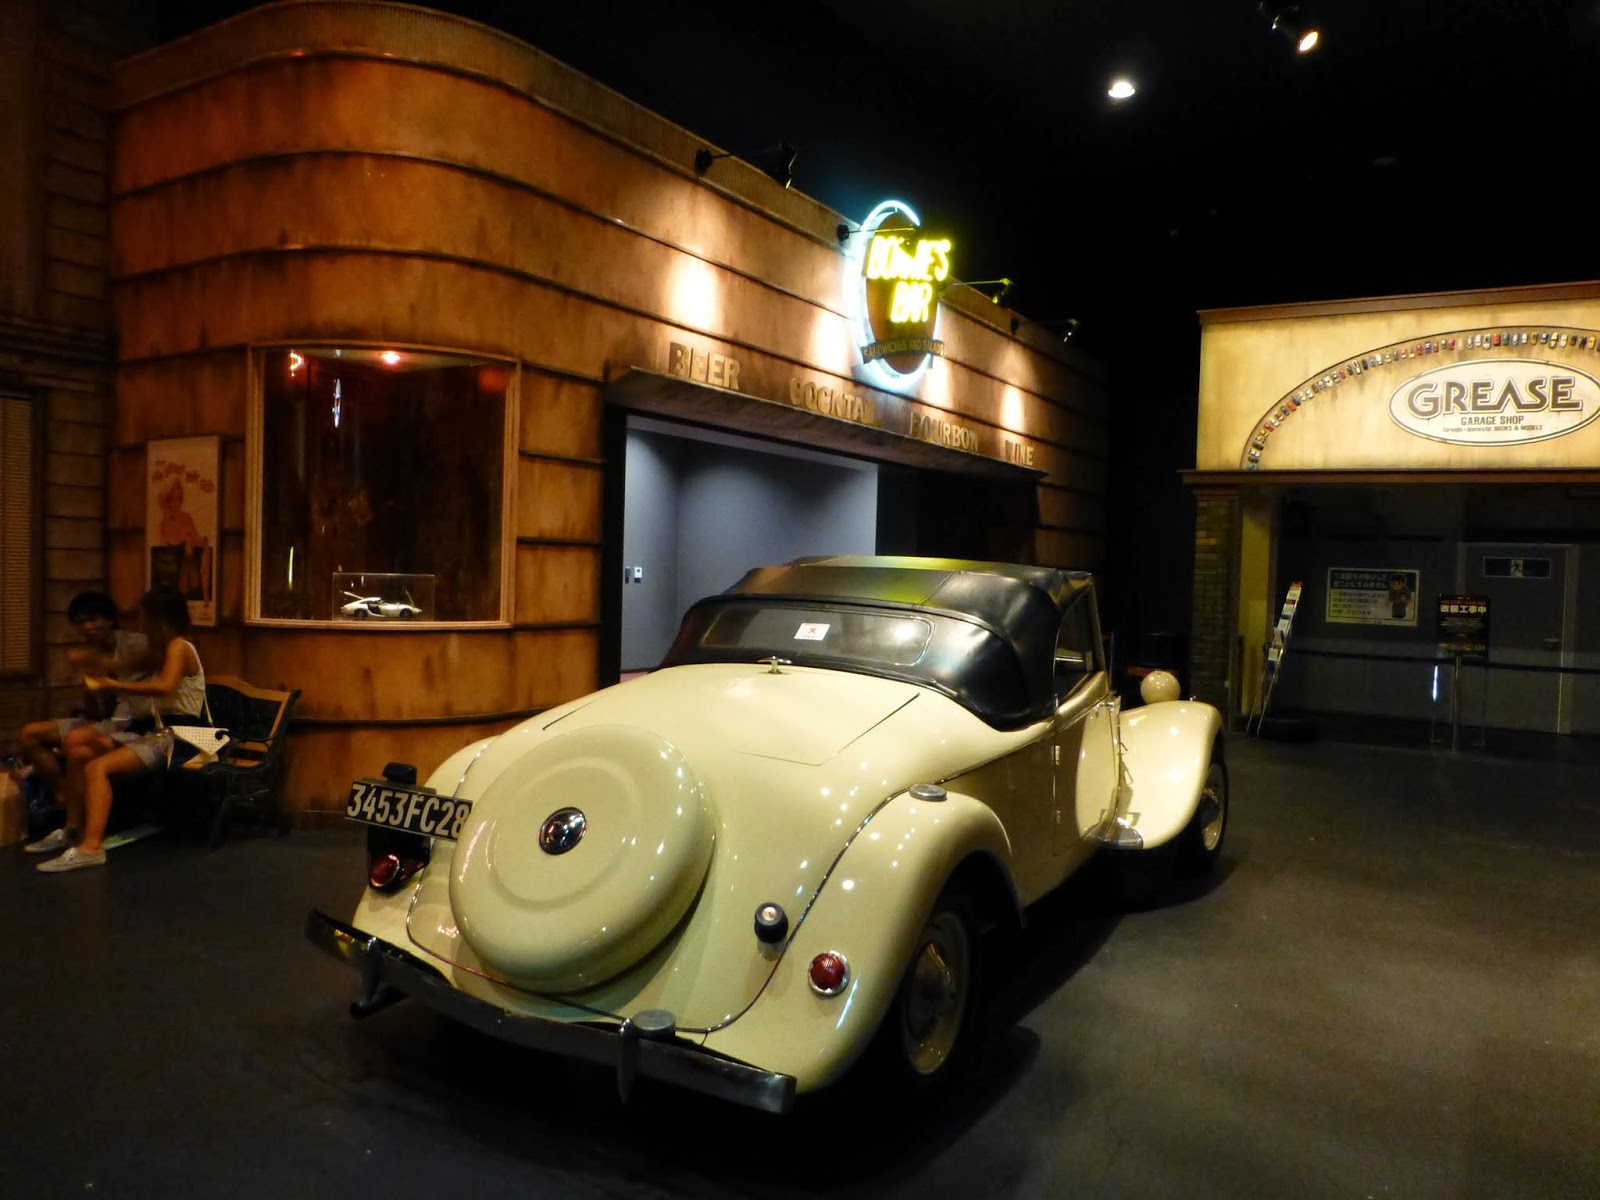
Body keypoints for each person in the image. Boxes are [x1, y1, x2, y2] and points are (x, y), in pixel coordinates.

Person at [32, 586, 206, 874]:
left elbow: (165, 687)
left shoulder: (180, 646)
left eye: (143, 616)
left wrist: (112, 685)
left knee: (98, 767)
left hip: (182, 736)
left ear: (157, 617)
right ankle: (72, 829)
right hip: (157, 732)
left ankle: (92, 847)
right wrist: (91, 667)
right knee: (79, 750)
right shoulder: (160, 649)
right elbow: (123, 665)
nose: (138, 622)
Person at [15, 591, 149, 823]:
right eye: (80, 622)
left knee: (74, 740)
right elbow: (98, 715)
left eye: (93, 619)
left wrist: (109, 682)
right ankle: (63, 792)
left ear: (110, 619)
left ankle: (75, 812)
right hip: (105, 720)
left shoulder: (136, 644)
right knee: (30, 734)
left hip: (132, 721)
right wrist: (89, 692)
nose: (87, 627)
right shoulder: (88, 654)